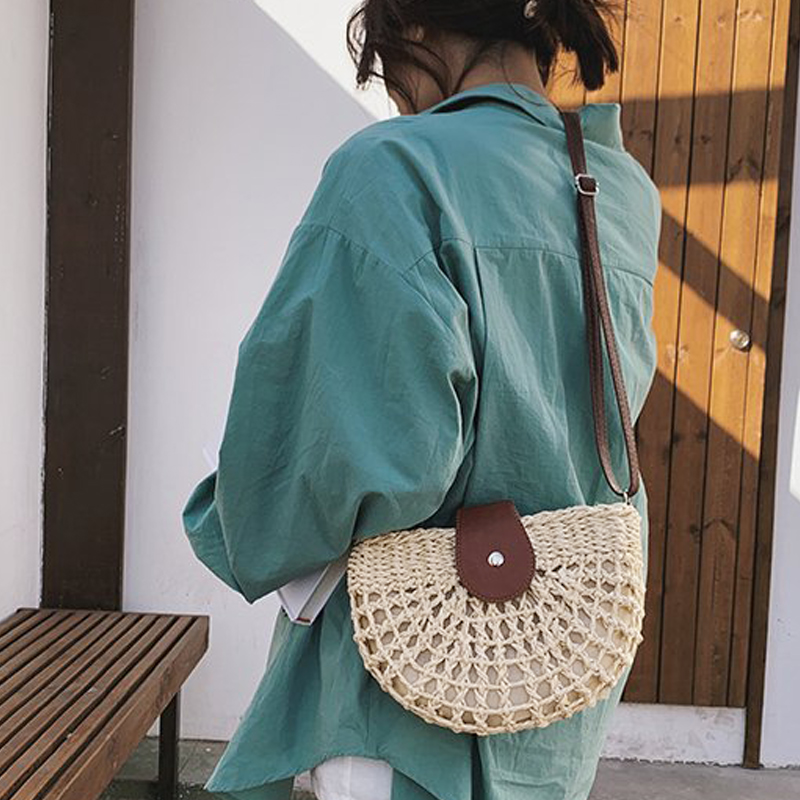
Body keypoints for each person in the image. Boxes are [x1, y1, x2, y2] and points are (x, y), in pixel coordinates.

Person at [181, 0, 662, 798]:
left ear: (412, 30)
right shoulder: (617, 187)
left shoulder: (394, 169)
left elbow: (350, 451)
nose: (395, 97)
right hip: (551, 682)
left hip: (402, 685)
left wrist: (229, 517)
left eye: (384, 70)